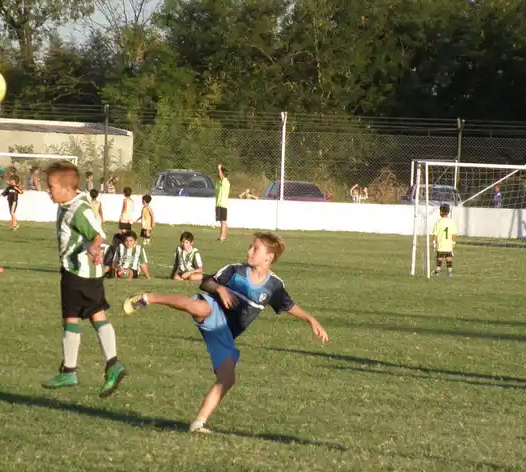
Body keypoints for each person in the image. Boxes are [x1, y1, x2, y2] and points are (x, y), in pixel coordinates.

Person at [122, 232, 329, 433]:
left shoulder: (274, 286)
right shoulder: (235, 270)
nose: (249, 250)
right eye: (251, 246)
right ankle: (149, 298)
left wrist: (311, 319)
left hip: (224, 333)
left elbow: (288, 305)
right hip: (214, 310)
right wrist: (220, 289)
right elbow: (206, 281)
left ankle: (199, 423)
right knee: (201, 308)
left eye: (255, 248)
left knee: (227, 378)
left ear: (269, 257)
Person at [41, 161, 127, 396]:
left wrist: (95, 248)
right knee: (90, 316)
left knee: (75, 317)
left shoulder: (78, 209)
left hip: (79, 273)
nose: (48, 190)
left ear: (67, 189)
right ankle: (108, 364)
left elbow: (98, 233)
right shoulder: (67, 203)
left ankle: (74, 370)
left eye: (51, 186)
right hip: (80, 272)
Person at [431, 204, 457, 278]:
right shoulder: (451, 222)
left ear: (441, 212)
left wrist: (434, 242)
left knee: (439, 258)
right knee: (449, 258)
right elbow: (453, 234)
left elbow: (435, 234)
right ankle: (450, 272)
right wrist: (453, 242)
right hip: (448, 244)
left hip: (441, 244)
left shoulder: (438, 222)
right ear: (448, 212)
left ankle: (437, 272)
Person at [215, 163, 230, 241]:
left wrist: (219, 168)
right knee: (222, 221)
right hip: (219, 204)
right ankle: (223, 235)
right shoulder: (220, 182)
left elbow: (221, 177)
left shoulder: (225, 181)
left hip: (222, 204)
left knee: (223, 221)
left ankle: (222, 237)